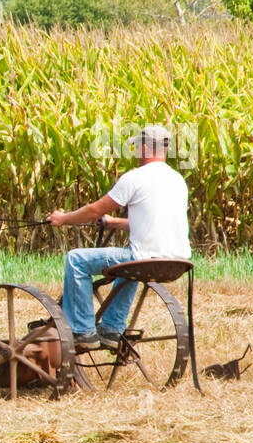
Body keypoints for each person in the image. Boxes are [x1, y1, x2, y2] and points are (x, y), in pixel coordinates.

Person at [47, 125, 191, 350]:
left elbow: (94, 210)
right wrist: (113, 223)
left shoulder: (135, 178)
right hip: (178, 261)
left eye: (136, 148)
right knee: (130, 266)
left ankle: (82, 331)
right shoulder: (177, 181)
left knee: (76, 260)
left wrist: (63, 219)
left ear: (144, 148)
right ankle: (112, 329)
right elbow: (155, 223)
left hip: (145, 257)